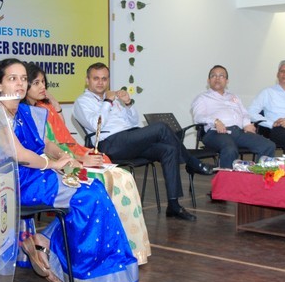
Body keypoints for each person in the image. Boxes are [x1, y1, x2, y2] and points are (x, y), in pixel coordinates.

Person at [0, 59, 139, 282]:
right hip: (17, 181)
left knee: (95, 188)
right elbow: (18, 154)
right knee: (88, 197)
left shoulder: (26, 111)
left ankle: (46, 243)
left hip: (38, 174)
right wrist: (52, 164)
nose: (20, 84)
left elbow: (46, 142)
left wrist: (65, 156)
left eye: (23, 78)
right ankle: (71, 260)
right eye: (13, 79)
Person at [24, 63, 151, 264]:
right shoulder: (27, 112)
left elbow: (57, 139)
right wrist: (76, 160)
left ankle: (126, 248)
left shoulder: (42, 107)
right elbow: (43, 147)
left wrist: (56, 108)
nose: (43, 87)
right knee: (102, 185)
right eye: (36, 83)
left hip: (63, 155)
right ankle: (91, 251)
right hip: (44, 168)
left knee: (122, 176)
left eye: (43, 82)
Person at [73, 62, 213, 222]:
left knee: (169, 150)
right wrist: (107, 102)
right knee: (161, 128)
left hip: (131, 139)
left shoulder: (114, 98)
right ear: (87, 80)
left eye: (104, 79)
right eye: (96, 78)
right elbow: (95, 125)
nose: (100, 82)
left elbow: (133, 122)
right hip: (111, 144)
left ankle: (173, 205)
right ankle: (191, 162)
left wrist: (128, 104)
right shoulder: (82, 102)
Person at [191, 65, 276, 168]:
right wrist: (215, 121)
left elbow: (244, 113)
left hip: (238, 132)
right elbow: (198, 117)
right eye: (214, 76)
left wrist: (246, 124)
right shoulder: (202, 98)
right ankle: (227, 182)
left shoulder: (233, 96)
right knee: (230, 148)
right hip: (215, 133)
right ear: (208, 80)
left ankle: (260, 178)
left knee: (268, 145)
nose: (217, 78)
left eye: (221, 76)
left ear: (227, 81)